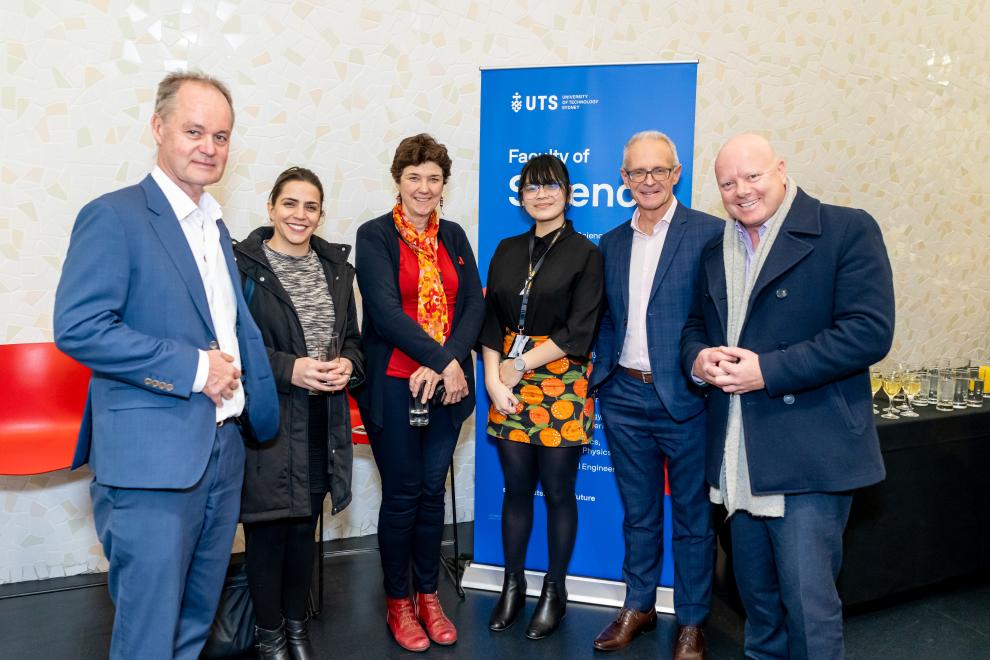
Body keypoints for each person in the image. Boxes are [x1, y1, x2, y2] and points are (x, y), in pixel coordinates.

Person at [53, 71, 279, 660]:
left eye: (222, 136)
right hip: (151, 461)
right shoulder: (113, 216)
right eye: (195, 131)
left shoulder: (214, 225)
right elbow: (79, 328)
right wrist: (193, 369)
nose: (209, 147)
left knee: (194, 621)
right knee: (148, 634)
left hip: (223, 450)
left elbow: (230, 329)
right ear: (158, 128)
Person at [681, 133, 895, 659]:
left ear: (781, 169)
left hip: (809, 455)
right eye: (727, 183)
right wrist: (698, 360)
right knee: (758, 608)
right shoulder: (715, 249)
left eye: (752, 176)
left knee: (809, 608)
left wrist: (768, 371)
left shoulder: (845, 229)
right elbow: (692, 326)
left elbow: (868, 331)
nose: (741, 191)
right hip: (738, 460)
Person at [589, 131, 722, 659]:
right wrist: (600, 374)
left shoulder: (711, 234)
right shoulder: (612, 241)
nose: (647, 181)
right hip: (623, 396)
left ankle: (691, 621)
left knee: (693, 517)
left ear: (676, 174)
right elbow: (605, 318)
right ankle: (638, 605)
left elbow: (718, 314)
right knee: (638, 512)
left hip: (686, 399)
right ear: (623, 179)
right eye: (635, 173)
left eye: (657, 171)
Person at [354, 133, 484, 652]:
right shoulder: (375, 235)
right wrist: (445, 361)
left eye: (433, 178)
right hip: (393, 386)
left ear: (443, 185)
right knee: (403, 495)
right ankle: (398, 602)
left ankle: (428, 595)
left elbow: (473, 305)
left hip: (447, 392)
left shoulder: (453, 236)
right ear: (398, 181)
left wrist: (449, 363)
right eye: (414, 177)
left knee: (433, 494)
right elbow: (384, 313)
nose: (423, 187)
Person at [234, 167, 365, 659]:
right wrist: (293, 369)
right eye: (290, 204)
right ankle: (269, 636)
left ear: (321, 214)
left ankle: (296, 628)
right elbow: (234, 347)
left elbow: (354, 340)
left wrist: (348, 365)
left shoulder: (337, 268)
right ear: (271, 208)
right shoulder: (242, 267)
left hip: (320, 422)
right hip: (267, 421)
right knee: (267, 532)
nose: (299, 215)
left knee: (302, 533)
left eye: (310, 207)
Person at [480, 154, 603, 639]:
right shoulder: (507, 249)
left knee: (557, 492)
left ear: (568, 193)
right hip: (506, 380)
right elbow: (489, 320)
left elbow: (580, 329)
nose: (542, 195)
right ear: (521, 195)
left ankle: (555, 590)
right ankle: (513, 586)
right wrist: (494, 379)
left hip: (562, 382)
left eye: (551, 186)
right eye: (532, 187)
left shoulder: (587, 254)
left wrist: (519, 365)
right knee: (515, 490)